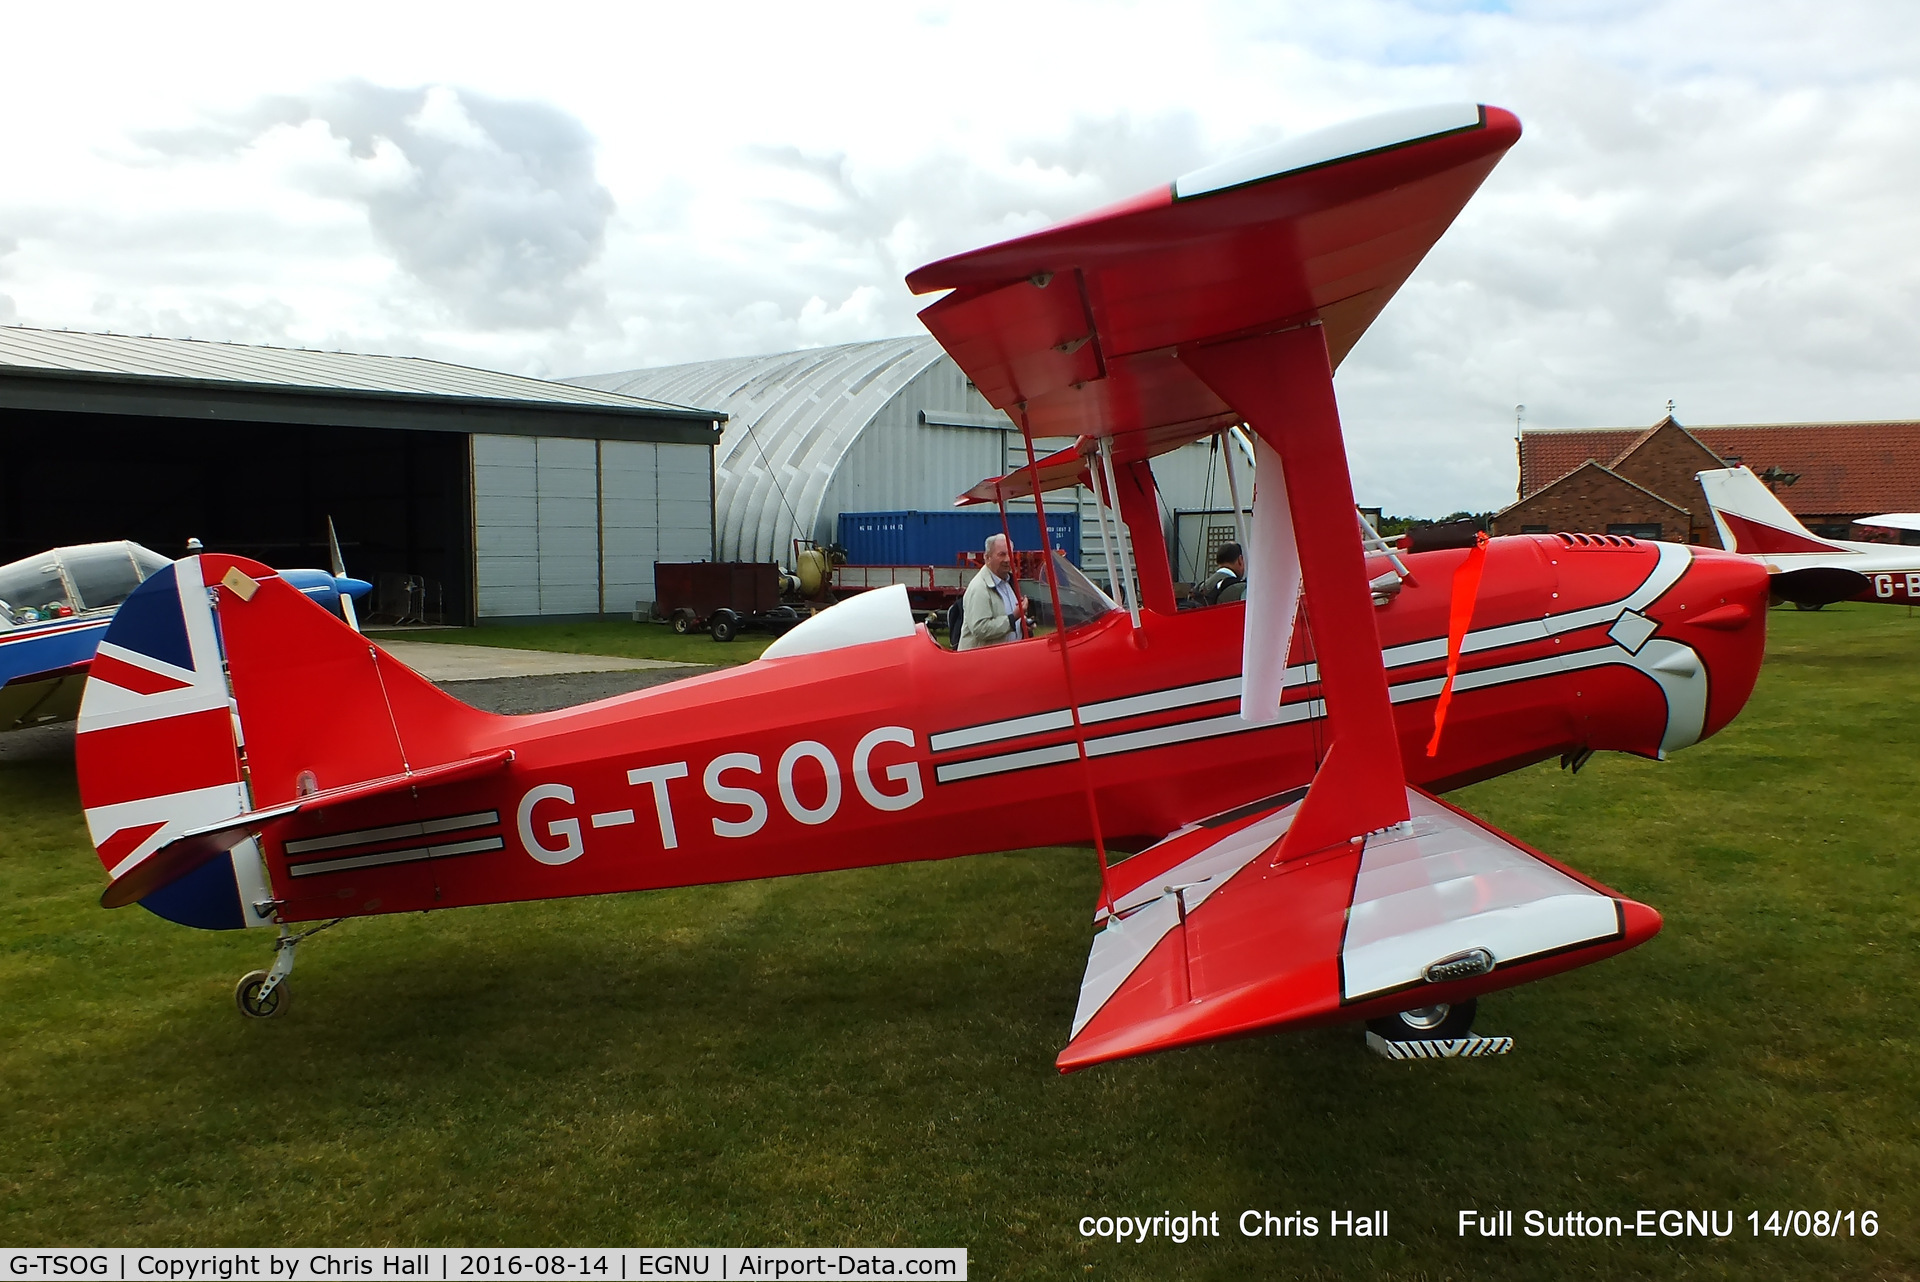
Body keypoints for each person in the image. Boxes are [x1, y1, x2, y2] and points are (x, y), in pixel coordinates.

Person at [958, 533, 1029, 650]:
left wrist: (1022, 624)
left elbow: (1005, 617)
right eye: (1001, 555)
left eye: (1009, 554)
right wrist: (1013, 618)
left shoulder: (1008, 583)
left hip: (1005, 659)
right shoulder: (979, 588)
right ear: (987, 558)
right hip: (981, 663)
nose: (1007, 559)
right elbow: (980, 629)